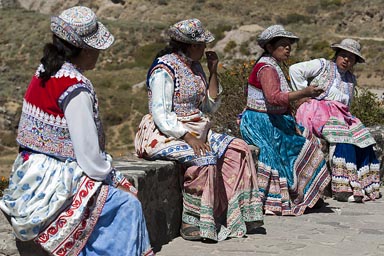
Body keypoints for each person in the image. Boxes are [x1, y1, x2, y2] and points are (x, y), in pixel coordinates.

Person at [0, 6, 154, 255]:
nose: (100, 55)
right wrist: (116, 181)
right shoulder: (75, 87)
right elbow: (89, 157)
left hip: (28, 174)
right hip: (55, 180)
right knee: (128, 204)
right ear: (84, 50)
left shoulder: (45, 71)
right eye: (96, 49)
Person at [135, 18, 264, 242]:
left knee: (239, 149)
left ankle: (233, 212)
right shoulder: (163, 69)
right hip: (166, 132)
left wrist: (213, 71)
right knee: (204, 158)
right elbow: (161, 114)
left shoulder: (194, 68)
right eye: (202, 45)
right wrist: (188, 137)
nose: (205, 49)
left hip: (198, 127)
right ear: (191, 46)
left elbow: (209, 106)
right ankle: (191, 220)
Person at [239, 25, 331, 216]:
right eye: (283, 45)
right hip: (261, 121)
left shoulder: (273, 66)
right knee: (287, 150)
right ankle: (290, 196)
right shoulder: (266, 68)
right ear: (270, 47)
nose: (288, 49)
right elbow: (273, 98)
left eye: (289, 45)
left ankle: (306, 194)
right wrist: (303, 93)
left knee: (309, 141)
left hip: (274, 119)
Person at [289, 38, 381, 203]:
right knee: (342, 136)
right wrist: (303, 93)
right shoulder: (322, 65)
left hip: (339, 115)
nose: (346, 60)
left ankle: (366, 185)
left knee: (364, 138)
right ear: (337, 54)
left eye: (351, 58)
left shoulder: (350, 80)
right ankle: (342, 188)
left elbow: (347, 105)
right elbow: (295, 69)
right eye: (344, 55)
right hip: (315, 111)